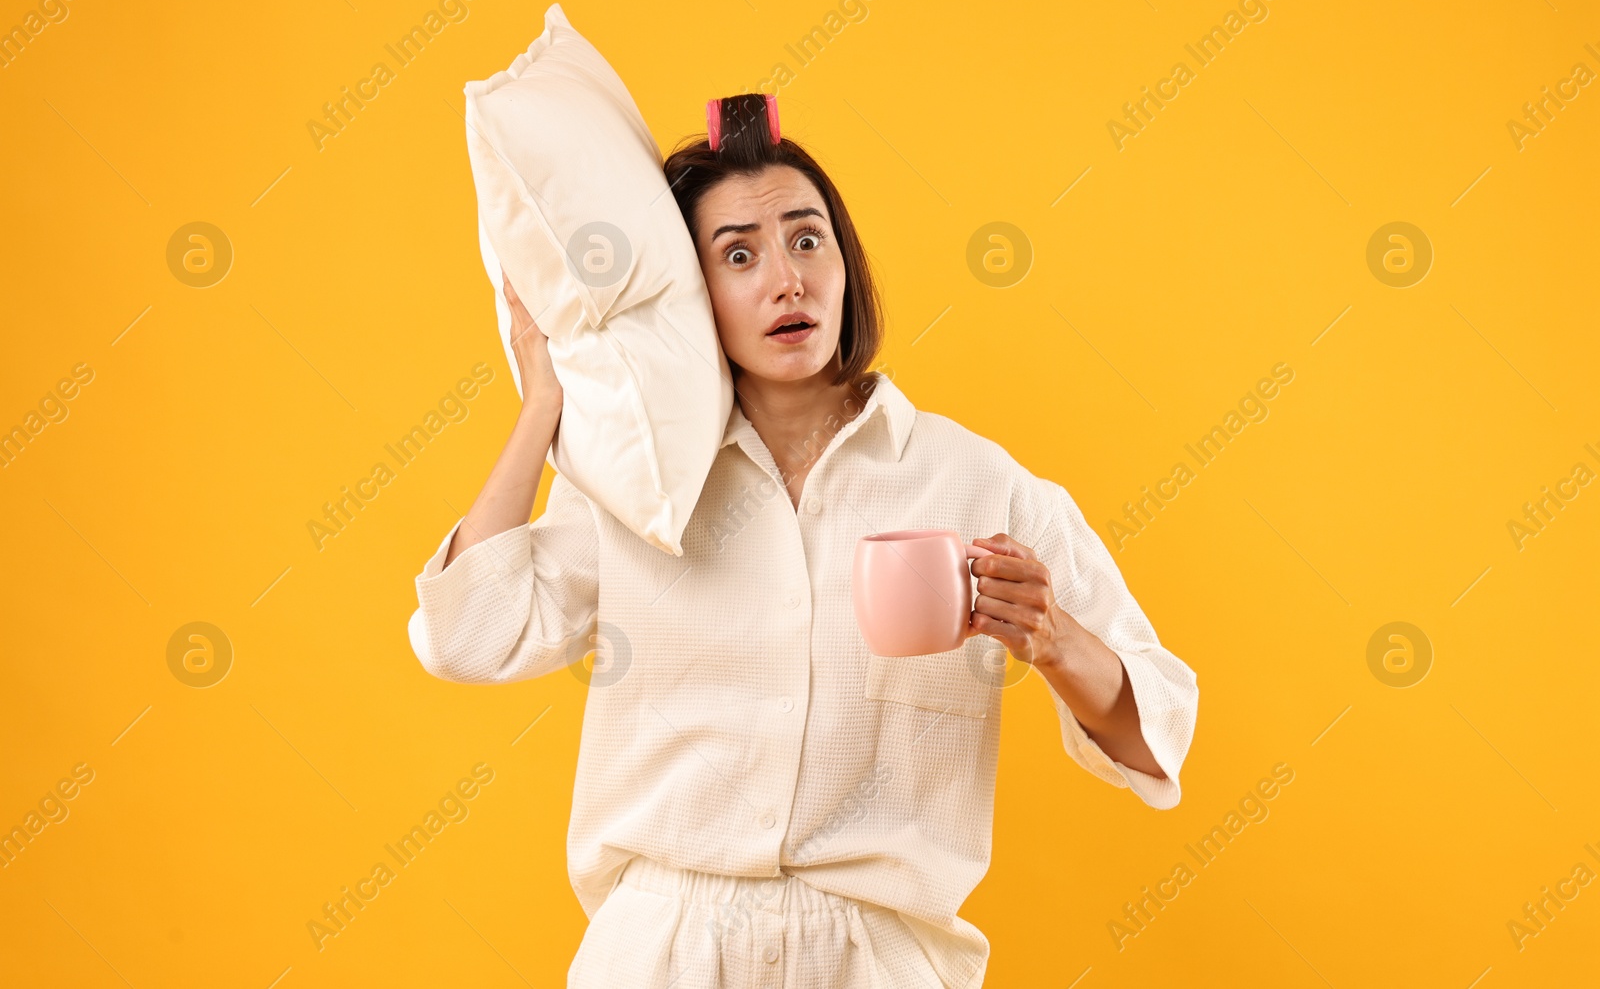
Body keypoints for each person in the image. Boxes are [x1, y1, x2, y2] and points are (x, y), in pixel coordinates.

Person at [409, 93, 1198, 988]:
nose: (787, 278)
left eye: (807, 237)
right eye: (738, 254)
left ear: (846, 261)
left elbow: (1154, 733)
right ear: (686, 292)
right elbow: (464, 635)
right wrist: (544, 407)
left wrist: (1055, 640)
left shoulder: (975, 481)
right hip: (660, 954)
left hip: (880, 962)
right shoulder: (639, 488)